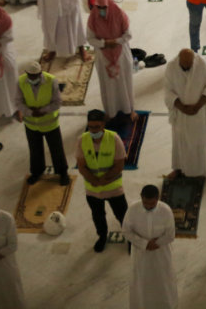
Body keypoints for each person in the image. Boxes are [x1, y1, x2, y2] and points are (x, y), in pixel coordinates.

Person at [77, 108, 128, 252]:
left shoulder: (114, 138)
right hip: (93, 189)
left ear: (103, 125)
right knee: (98, 217)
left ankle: (131, 238)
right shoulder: (83, 140)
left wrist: (104, 180)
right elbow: (81, 166)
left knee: (123, 215)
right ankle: (102, 236)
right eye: (91, 127)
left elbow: (119, 165)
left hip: (113, 187)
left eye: (97, 127)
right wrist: (94, 179)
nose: (93, 130)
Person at [122, 184, 177, 309]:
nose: (148, 206)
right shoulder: (133, 209)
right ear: (141, 197)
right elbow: (126, 231)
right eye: (145, 203)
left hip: (161, 253)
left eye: (152, 204)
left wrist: (156, 243)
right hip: (141, 253)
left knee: (163, 280)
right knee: (141, 281)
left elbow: (170, 235)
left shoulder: (165, 210)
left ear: (157, 199)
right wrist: (144, 244)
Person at [163, 49, 206, 178]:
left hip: (200, 112)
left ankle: (202, 171)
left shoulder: (201, 64)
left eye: (189, 64)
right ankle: (179, 169)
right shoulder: (171, 67)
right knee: (179, 143)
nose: (187, 67)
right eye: (184, 64)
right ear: (179, 60)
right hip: (181, 114)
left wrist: (197, 106)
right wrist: (182, 108)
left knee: (200, 142)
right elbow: (168, 92)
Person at [15, 60, 70, 184]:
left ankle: (62, 173)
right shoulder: (21, 81)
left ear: (41, 72)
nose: (34, 78)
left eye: (37, 75)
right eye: (31, 76)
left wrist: (43, 111)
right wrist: (30, 112)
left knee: (57, 150)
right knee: (35, 150)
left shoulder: (51, 80)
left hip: (49, 123)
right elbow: (18, 101)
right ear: (26, 74)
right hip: (31, 124)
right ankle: (36, 172)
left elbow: (57, 102)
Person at [85, 0, 135, 121]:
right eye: (99, 7)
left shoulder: (119, 14)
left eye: (104, 7)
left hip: (121, 54)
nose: (101, 10)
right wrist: (104, 43)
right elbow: (90, 39)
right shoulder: (93, 18)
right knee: (108, 84)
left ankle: (130, 109)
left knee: (125, 82)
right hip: (103, 56)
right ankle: (110, 111)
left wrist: (116, 42)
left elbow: (128, 35)